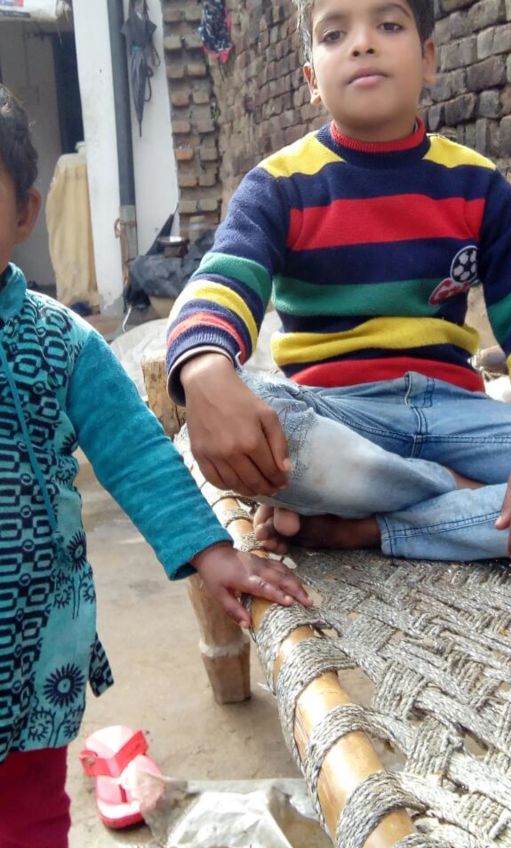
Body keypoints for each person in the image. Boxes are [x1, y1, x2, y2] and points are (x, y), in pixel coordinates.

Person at [166, 0, 511, 566]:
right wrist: (204, 368)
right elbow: (221, 282)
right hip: (336, 420)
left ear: (428, 58)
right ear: (312, 80)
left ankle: (376, 526)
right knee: (254, 413)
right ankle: (459, 493)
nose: (363, 43)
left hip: (461, 418)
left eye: (389, 25)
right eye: (334, 34)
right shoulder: (278, 186)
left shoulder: (477, 185)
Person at [0, 84, 310, 848]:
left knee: (27, 817)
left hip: (27, 653)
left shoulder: (59, 343)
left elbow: (136, 450)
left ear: (25, 213)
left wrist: (211, 553)